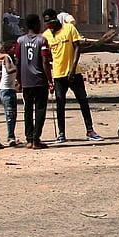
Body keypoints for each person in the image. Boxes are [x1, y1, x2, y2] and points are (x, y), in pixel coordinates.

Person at [43, 8, 101, 142]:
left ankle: (90, 130)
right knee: (60, 103)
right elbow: (47, 58)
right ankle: (61, 133)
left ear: (56, 18)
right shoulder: (46, 35)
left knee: (83, 101)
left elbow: (77, 47)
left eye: (51, 21)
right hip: (58, 75)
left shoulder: (69, 28)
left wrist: (72, 68)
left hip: (74, 73)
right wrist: (49, 79)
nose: (50, 25)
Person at [16, 13, 52, 149]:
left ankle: (29, 139)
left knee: (27, 110)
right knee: (40, 110)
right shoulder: (42, 40)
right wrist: (50, 80)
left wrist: (19, 80)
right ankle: (36, 139)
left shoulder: (20, 41)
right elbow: (45, 62)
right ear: (37, 25)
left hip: (26, 81)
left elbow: (18, 62)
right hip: (39, 80)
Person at [0, 39, 20, 146]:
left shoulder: (13, 59)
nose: (14, 49)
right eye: (12, 47)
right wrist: (19, 67)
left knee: (14, 114)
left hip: (11, 89)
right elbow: (9, 70)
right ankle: (10, 136)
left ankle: (12, 135)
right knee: (9, 113)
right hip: (5, 89)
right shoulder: (7, 58)